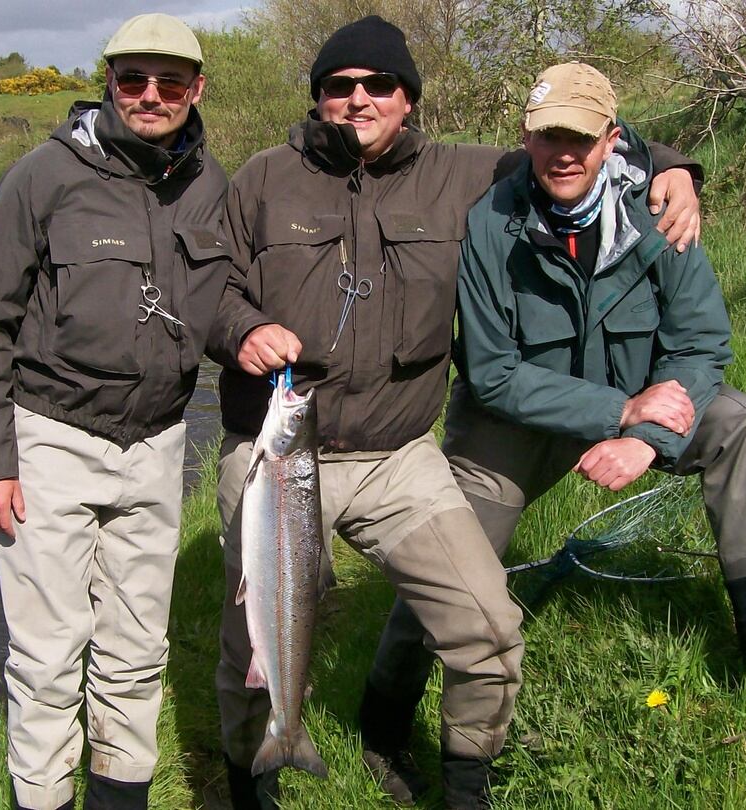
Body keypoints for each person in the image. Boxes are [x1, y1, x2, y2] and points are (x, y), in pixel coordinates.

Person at [208, 18, 704, 809]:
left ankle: (464, 787)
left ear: (409, 100)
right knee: (249, 648)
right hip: (274, 456)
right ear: (319, 99)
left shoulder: (469, 173)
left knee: (489, 634)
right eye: (340, 87)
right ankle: (251, 776)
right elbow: (209, 293)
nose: (358, 100)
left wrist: (671, 167)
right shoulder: (264, 179)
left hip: (399, 460)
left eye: (379, 86)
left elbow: (571, 149)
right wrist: (243, 329)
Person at [367, 62, 746, 795]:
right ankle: (382, 722)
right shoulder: (491, 223)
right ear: (526, 139)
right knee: (447, 547)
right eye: (546, 136)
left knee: (740, 421)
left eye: (579, 136)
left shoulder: (662, 213)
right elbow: (493, 371)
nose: (562, 152)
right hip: (516, 419)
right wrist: (614, 415)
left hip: (641, 406)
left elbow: (701, 346)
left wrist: (645, 436)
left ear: (612, 141)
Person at [0, 14, 233, 810]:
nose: (151, 95)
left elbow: (226, 309)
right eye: (133, 79)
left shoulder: (211, 187)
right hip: (50, 439)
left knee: (138, 649)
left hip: (158, 443)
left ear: (196, 90)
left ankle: (122, 798)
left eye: (169, 82)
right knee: (46, 657)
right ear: (108, 82)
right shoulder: (44, 175)